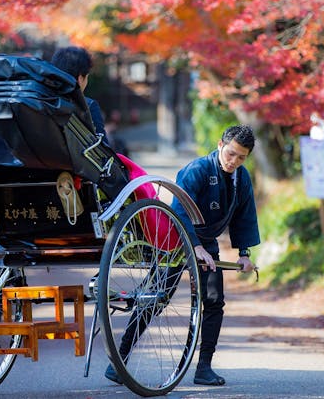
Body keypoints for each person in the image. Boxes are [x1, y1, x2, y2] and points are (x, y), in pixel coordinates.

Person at [104, 124, 260, 386]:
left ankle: (204, 368)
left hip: (207, 244)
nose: (234, 161)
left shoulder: (241, 178)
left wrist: (244, 253)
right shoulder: (197, 169)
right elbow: (179, 209)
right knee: (156, 297)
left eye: (242, 157)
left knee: (213, 301)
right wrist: (194, 245)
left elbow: (244, 217)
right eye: (231, 153)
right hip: (175, 239)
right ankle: (119, 361)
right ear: (221, 144)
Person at [50, 46, 109, 144]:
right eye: (86, 77)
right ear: (80, 78)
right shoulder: (88, 106)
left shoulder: (40, 101)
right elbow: (102, 150)